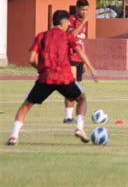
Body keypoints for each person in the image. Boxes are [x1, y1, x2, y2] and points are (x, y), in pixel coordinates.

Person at [6, 10, 98, 146]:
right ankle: (79, 128)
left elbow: (31, 59)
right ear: (64, 22)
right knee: (82, 99)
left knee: (26, 106)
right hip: (64, 78)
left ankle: (14, 136)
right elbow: (79, 51)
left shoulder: (41, 36)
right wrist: (92, 69)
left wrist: (41, 70)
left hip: (45, 78)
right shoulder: (67, 37)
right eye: (68, 22)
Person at [63, 0, 89, 124]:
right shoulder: (71, 20)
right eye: (82, 9)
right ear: (77, 8)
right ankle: (68, 116)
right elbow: (71, 36)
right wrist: (83, 22)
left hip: (79, 59)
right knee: (71, 86)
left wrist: (84, 60)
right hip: (70, 57)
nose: (84, 12)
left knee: (77, 87)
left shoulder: (83, 23)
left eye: (86, 10)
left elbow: (80, 41)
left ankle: (72, 116)